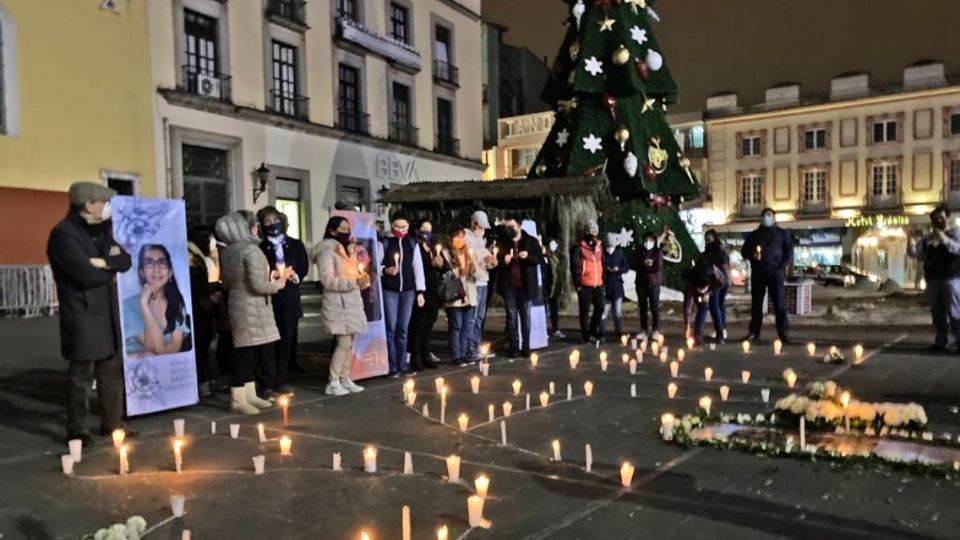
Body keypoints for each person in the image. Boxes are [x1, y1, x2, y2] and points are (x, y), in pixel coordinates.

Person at [47, 182, 133, 445]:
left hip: (107, 314)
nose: (107, 207)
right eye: (103, 202)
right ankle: (78, 429)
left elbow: (125, 261)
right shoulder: (63, 235)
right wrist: (107, 268)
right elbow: (83, 274)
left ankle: (112, 423)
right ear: (89, 204)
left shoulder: (102, 230)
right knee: (81, 377)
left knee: (111, 373)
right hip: (82, 315)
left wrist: (103, 262)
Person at [215, 211, 287, 415]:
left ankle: (248, 394)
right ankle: (239, 398)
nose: (258, 229)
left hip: (237, 303)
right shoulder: (251, 250)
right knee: (246, 353)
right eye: (255, 226)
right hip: (253, 306)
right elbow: (258, 284)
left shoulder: (228, 251)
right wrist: (277, 284)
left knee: (246, 350)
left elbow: (227, 282)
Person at [314, 216, 370, 395]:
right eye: (342, 228)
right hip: (338, 304)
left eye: (348, 228)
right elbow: (328, 280)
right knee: (342, 343)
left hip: (351, 302)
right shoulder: (327, 253)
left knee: (349, 343)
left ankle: (345, 378)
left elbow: (353, 273)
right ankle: (333, 381)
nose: (346, 231)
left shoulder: (350, 251)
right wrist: (354, 283)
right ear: (332, 231)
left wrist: (361, 280)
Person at [257, 207, 309, 396]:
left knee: (287, 341)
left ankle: (281, 379)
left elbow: (303, 266)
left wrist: (294, 275)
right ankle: (267, 382)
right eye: (267, 222)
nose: (272, 225)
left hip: (289, 299)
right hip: (270, 299)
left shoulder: (295, 244)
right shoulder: (260, 248)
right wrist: (274, 275)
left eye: (275, 220)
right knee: (269, 343)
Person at [122, 244, 191, 357]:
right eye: (149, 263)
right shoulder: (128, 306)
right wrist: (144, 304)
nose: (156, 269)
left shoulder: (176, 304)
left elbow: (172, 349)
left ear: (170, 272)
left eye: (162, 262)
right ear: (142, 272)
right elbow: (155, 349)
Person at [907, 205, 960, 352]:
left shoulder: (955, 233)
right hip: (933, 280)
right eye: (936, 219)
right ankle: (941, 341)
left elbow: (958, 249)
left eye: (942, 218)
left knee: (954, 312)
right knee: (938, 314)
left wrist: (944, 239)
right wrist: (910, 244)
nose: (939, 221)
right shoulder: (928, 238)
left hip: (951, 279)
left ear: (948, 218)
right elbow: (917, 255)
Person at [380, 213, 426, 377]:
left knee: (403, 329)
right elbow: (376, 265)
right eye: (397, 227)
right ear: (391, 226)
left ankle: (402, 363)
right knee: (390, 328)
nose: (400, 230)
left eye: (403, 227)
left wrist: (420, 291)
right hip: (389, 290)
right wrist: (385, 270)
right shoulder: (385, 242)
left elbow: (417, 268)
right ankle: (391, 365)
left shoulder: (412, 243)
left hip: (408, 291)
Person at [741, 208, 794, 343]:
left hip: (775, 273)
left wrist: (782, 266)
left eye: (769, 215)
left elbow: (789, 252)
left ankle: (783, 333)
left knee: (779, 304)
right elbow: (744, 251)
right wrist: (752, 255)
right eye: (764, 215)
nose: (766, 218)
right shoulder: (754, 235)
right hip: (758, 273)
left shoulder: (782, 234)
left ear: (774, 218)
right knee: (756, 305)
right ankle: (754, 332)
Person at [496, 218, 543, 358]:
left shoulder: (530, 241)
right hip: (509, 284)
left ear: (519, 226)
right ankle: (513, 347)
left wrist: (528, 256)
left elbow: (538, 259)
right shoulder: (503, 242)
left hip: (525, 284)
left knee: (525, 317)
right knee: (511, 317)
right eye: (507, 227)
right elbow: (496, 260)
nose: (509, 229)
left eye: (511, 226)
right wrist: (503, 261)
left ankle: (526, 347)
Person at [408, 220, 443, 370]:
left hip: (433, 290)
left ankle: (425, 353)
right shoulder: (414, 246)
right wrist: (431, 264)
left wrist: (440, 263)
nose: (427, 233)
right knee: (418, 325)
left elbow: (443, 266)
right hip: (421, 289)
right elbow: (416, 267)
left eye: (430, 230)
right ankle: (415, 356)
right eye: (424, 230)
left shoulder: (432, 246)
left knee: (429, 324)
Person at [187, 226, 218, 397]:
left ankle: (203, 380)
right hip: (198, 311)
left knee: (202, 347)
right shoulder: (193, 259)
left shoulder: (198, 256)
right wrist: (209, 299)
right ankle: (202, 382)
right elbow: (196, 289)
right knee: (200, 347)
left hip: (200, 309)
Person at [443, 226, 479, 365]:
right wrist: (460, 269)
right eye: (457, 237)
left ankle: (463, 353)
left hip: (469, 293)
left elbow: (477, 272)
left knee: (466, 326)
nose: (460, 240)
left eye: (462, 236)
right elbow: (447, 275)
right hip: (455, 294)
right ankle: (456, 355)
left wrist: (473, 268)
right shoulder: (446, 253)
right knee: (456, 325)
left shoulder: (468, 252)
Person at [465, 210, 498, 361]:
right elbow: (469, 260)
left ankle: (476, 345)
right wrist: (480, 261)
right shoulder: (466, 238)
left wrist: (491, 261)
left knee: (479, 318)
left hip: (483, 281)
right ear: (473, 224)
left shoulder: (482, 240)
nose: (482, 230)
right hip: (473, 282)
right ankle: (469, 348)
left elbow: (487, 261)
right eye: (480, 227)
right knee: (472, 318)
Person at [570, 220, 605, 344]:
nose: (593, 233)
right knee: (584, 312)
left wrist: (603, 280)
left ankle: (592, 330)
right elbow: (574, 267)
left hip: (598, 284)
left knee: (600, 308)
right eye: (590, 230)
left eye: (595, 231)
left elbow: (602, 263)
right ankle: (585, 335)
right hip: (585, 285)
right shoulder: (578, 247)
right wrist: (578, 285)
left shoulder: (599, 246)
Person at [682, 258, 727, 344]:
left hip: (715, 285)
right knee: (703, 308)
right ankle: (698, 335)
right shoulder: (691, 283)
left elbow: (723, 282)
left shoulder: (714, 272)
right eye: (700, 290)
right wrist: (687, 325)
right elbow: (687, 307)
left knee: (714, 307)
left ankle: (720, 335)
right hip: (699, 282)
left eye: (703, 289)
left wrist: (709, 293)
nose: (702, 292)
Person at [633, 231, 664, 341]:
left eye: (650, 240)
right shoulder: (639, 252)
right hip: (641, 283)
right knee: (643, 307)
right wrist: (645, 264)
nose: (647, 242)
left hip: (654, 283)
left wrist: (648, 265)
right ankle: (644, 330)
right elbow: (636, 264)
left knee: (654, 307)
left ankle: (656, 329)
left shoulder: (658, 252)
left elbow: (658, 266)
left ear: (654, 241)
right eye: (646, 240)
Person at [702, 229, 730, 342]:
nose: (707, 241)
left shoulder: (717, 250)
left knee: (714, 306)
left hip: (717, 281)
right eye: (706, 239)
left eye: (709, 238)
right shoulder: (719, 249)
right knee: (719, 305)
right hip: (719, 280)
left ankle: (720, 332)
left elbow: (724, 266)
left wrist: (728, 280)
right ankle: (721, 329)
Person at [600, 233, 629, 340]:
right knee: (604, 312)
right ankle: (602, 332)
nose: (610, 249)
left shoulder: (619, 254)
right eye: (608, 246)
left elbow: (626, 267)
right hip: (605, 286)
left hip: (617, 287)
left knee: (617, 312)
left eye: (612, 246)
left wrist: (618, 270)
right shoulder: (602, 255)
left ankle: (618, 331)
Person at [543, 239, 565, 339]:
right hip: (547, 286)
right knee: (544, 310)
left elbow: (558, 273)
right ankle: (543, 331)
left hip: (554, 287)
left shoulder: (556, 257)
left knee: (554, 310)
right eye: (552, 243)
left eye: (555, 243)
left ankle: (555, 329)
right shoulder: (545, 257)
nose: (554, 245)